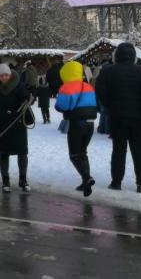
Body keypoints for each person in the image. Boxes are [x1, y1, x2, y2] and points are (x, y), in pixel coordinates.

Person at [95, 42, 141, 192]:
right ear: (133, 56)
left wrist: (109, 106)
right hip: (138, 117)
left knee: (118, 150)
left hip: (117, 116)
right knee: (139, 150)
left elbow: (100, 90)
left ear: (117, 55)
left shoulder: (108, 71)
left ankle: (116, 181)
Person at [0, 63, 32, 193]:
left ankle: (23, 180)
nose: (4, 77)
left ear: (10, 74)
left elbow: (28, 98)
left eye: (6, 75)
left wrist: (29, 98)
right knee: (3, 153)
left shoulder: (18, 85)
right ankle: (5, 181)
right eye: (1, 75)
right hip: (1, 124)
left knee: (22, 153)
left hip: (17, 124)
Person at [55, 61, 98, 197]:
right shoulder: (88, 86)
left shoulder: (66, 87)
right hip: (90, 123)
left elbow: (61, 106)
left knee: (74, 155)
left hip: (77, 124)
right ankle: (85, 183)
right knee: (83, 153)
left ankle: (87, 178)